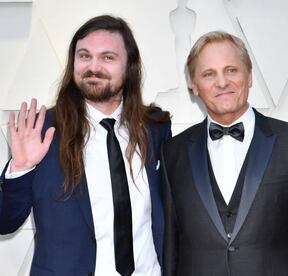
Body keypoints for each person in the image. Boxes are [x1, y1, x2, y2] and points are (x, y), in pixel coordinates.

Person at [0, 15, 171, 276]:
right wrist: (21, 167)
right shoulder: (41, 129)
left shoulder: (155, 127)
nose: (93, 66)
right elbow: (5, 221)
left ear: (130, 66)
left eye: (108, 57)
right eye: (84, 56)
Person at [161, 31, 288, 276]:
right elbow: (171, 245)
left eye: (231, 70)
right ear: (194, 86)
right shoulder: (172, 152)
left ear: (249, 76)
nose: (222, 82)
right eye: (209, 74)